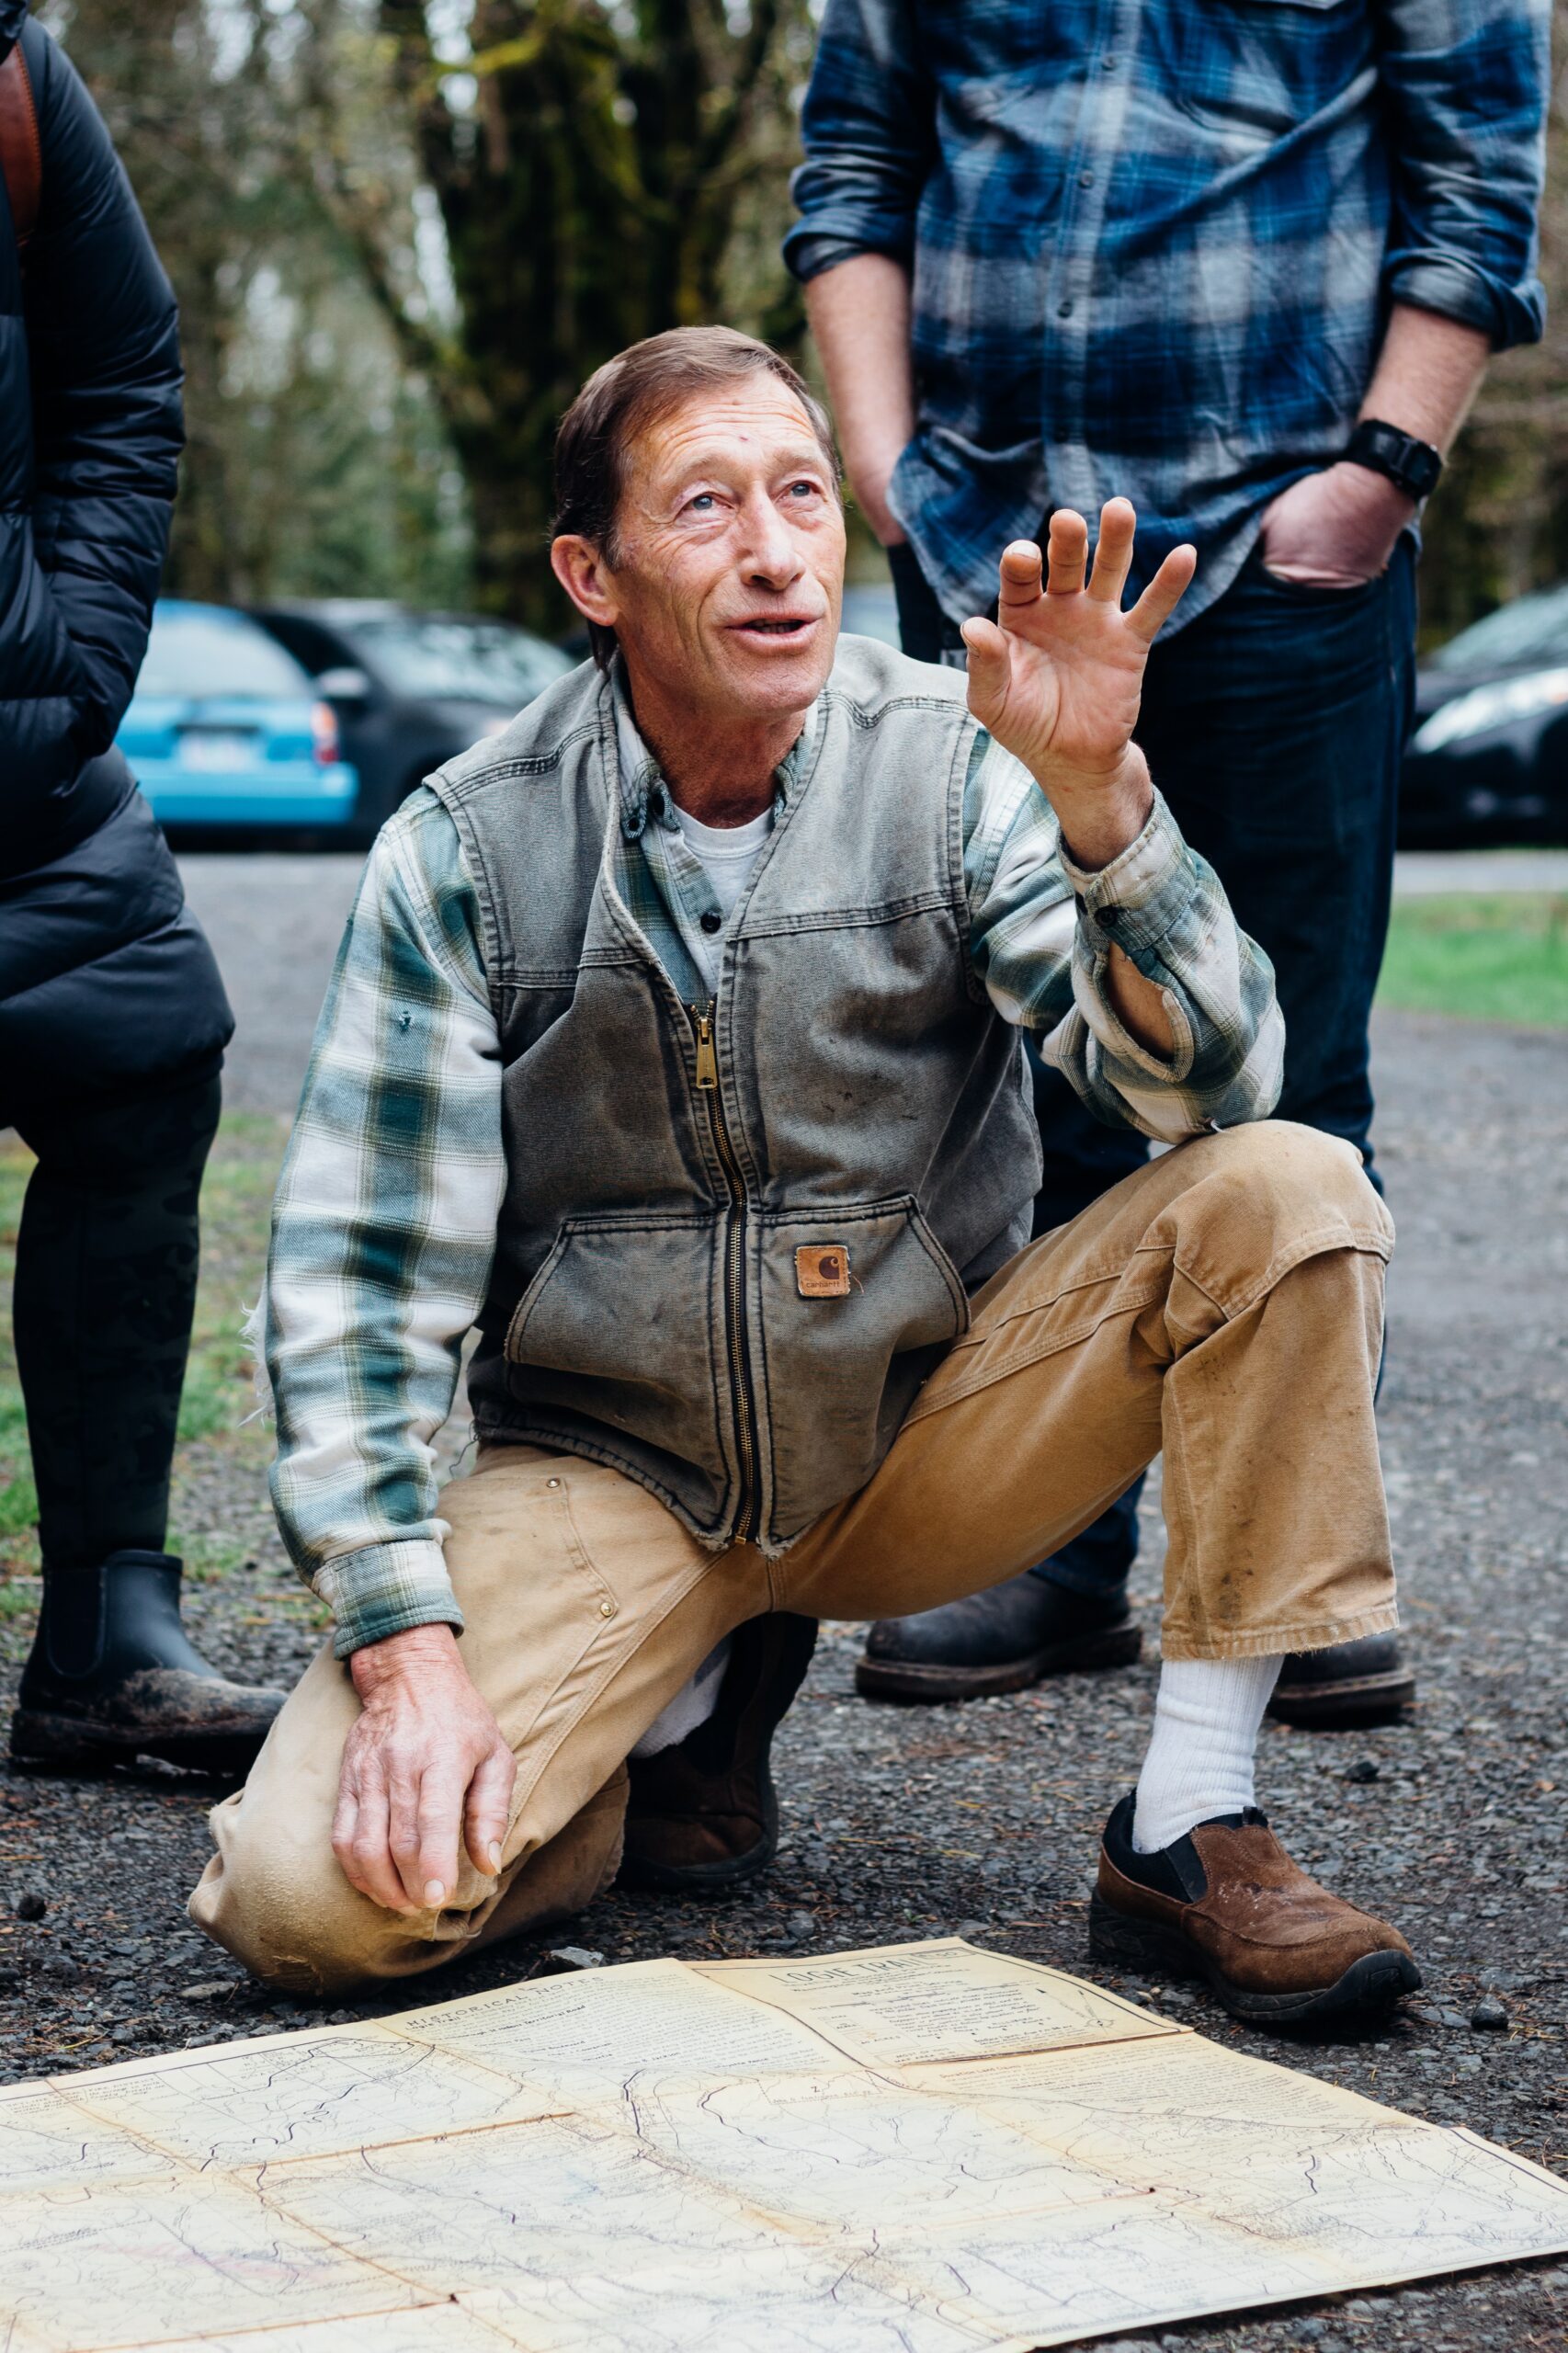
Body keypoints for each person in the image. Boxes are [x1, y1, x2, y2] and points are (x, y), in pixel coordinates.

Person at [191, 327, 1416, 2031]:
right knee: (308, 1909)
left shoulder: (959, 757)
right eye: (703, 507)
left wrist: (1102, 806)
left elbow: (1200, 1085)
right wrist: (408, 1661)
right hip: (612, 1471)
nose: (775, 550)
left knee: (1286, 1187)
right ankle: (672, 1714)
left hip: (928, 1426)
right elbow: (354, 1282)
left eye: (797, 495)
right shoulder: (464, 845)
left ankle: (1187, 1818)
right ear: (589, 575)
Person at [785, 0, 1548, 1726]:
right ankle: (1050, 1559)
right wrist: (880, 463)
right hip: (981, 534)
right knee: (1010, 1061)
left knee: (1286, 1077)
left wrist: (1380, 471)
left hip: (1279, 550)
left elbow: (1473, 175)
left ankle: (1287, 1579)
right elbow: (853, 164)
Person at [0, 4, 283, 1771]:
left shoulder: (8, 79)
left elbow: (121, 366)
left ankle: (108, 1633)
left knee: (146, 1059)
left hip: (20, 776)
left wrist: (69, 657)